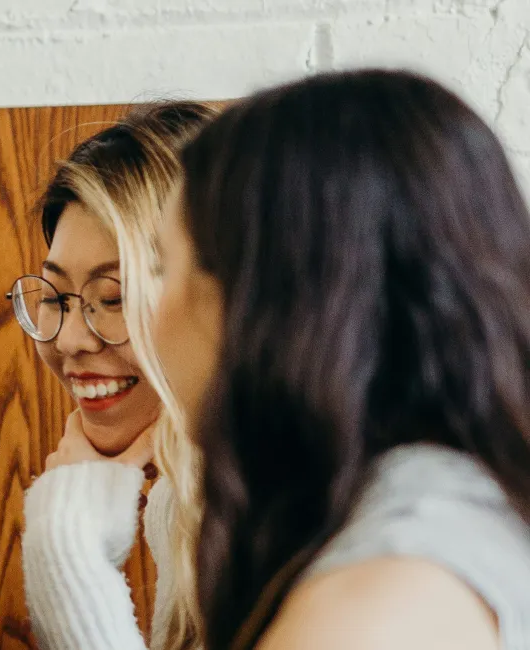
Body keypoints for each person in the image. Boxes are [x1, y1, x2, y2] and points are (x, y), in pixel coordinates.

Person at [156, 69, 530, 649]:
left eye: (163, 268)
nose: (146, 316)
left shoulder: (385, 593)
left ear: (262, 301)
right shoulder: (454, 506)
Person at [14, 102, 214, 650]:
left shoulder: (284, 517)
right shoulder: (183, 495)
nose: (68, 340)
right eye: (55, 297)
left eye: (114, 297)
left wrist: (65, 545)